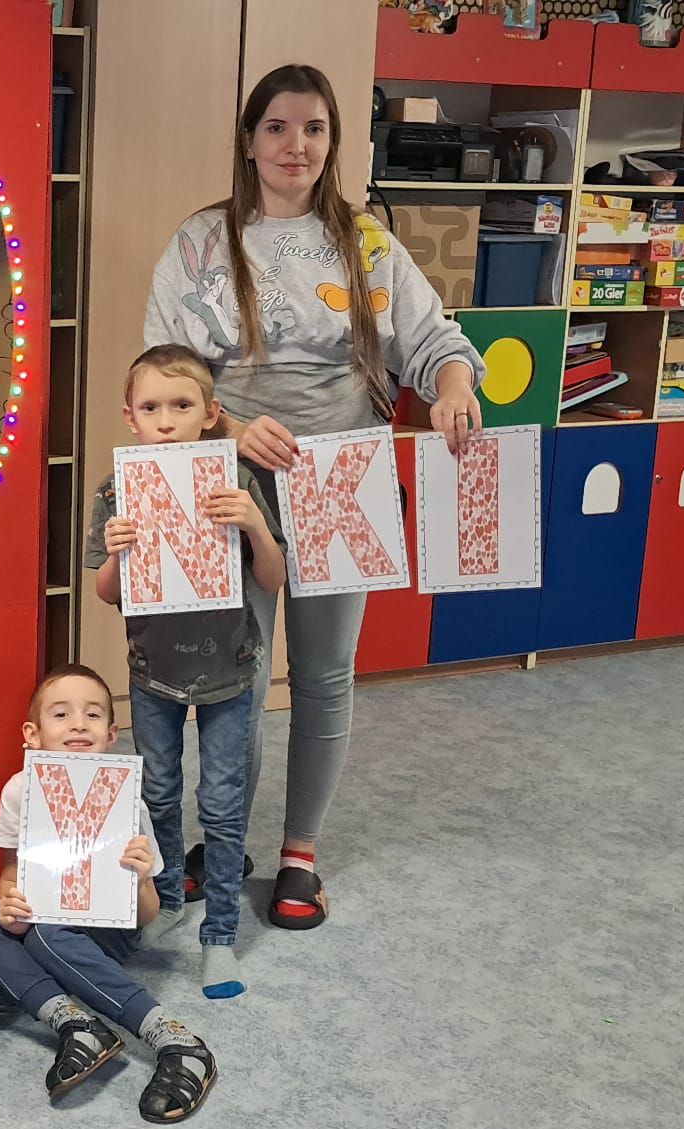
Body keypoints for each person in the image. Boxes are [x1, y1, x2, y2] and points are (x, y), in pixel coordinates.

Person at [144, 62, 485, 930]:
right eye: (277, 127)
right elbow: (162, 371)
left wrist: (452, 384)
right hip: (232, 478)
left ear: (334, 142)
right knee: (237, 675)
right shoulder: (201, 241)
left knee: (326, 673)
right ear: (249, 140)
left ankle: (300, 853)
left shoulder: (366, 242)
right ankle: (227, 842)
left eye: (314, 128)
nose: (295, 145)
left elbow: (433, 340)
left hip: (343, 473)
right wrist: (226, 424)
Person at [87, 344, 287, 997]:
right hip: (154, 674)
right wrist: (115, 554)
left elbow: (272, 578)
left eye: (181, 405)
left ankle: (220, 934)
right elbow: (108, 594)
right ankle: (170, 897)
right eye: (151, 408)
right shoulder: (117, 490)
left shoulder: (235, 481)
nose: (167, 421)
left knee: (223, 805)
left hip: (231, 671)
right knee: (160, 792)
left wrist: (255, 525)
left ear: (210, 413)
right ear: (130, 416)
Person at [0, 665, 217, 1124]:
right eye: (61, 714)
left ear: (111, 734)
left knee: (45, 937)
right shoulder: (20, 792)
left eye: (93, 714)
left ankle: (174, 1039)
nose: (78, 724)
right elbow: (11, 874)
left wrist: (142, 878)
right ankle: (75, 1022)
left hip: (108, 932)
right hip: (44, 919)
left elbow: (147, 917)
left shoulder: (127, 801)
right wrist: (11, 906)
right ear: (33, 735)